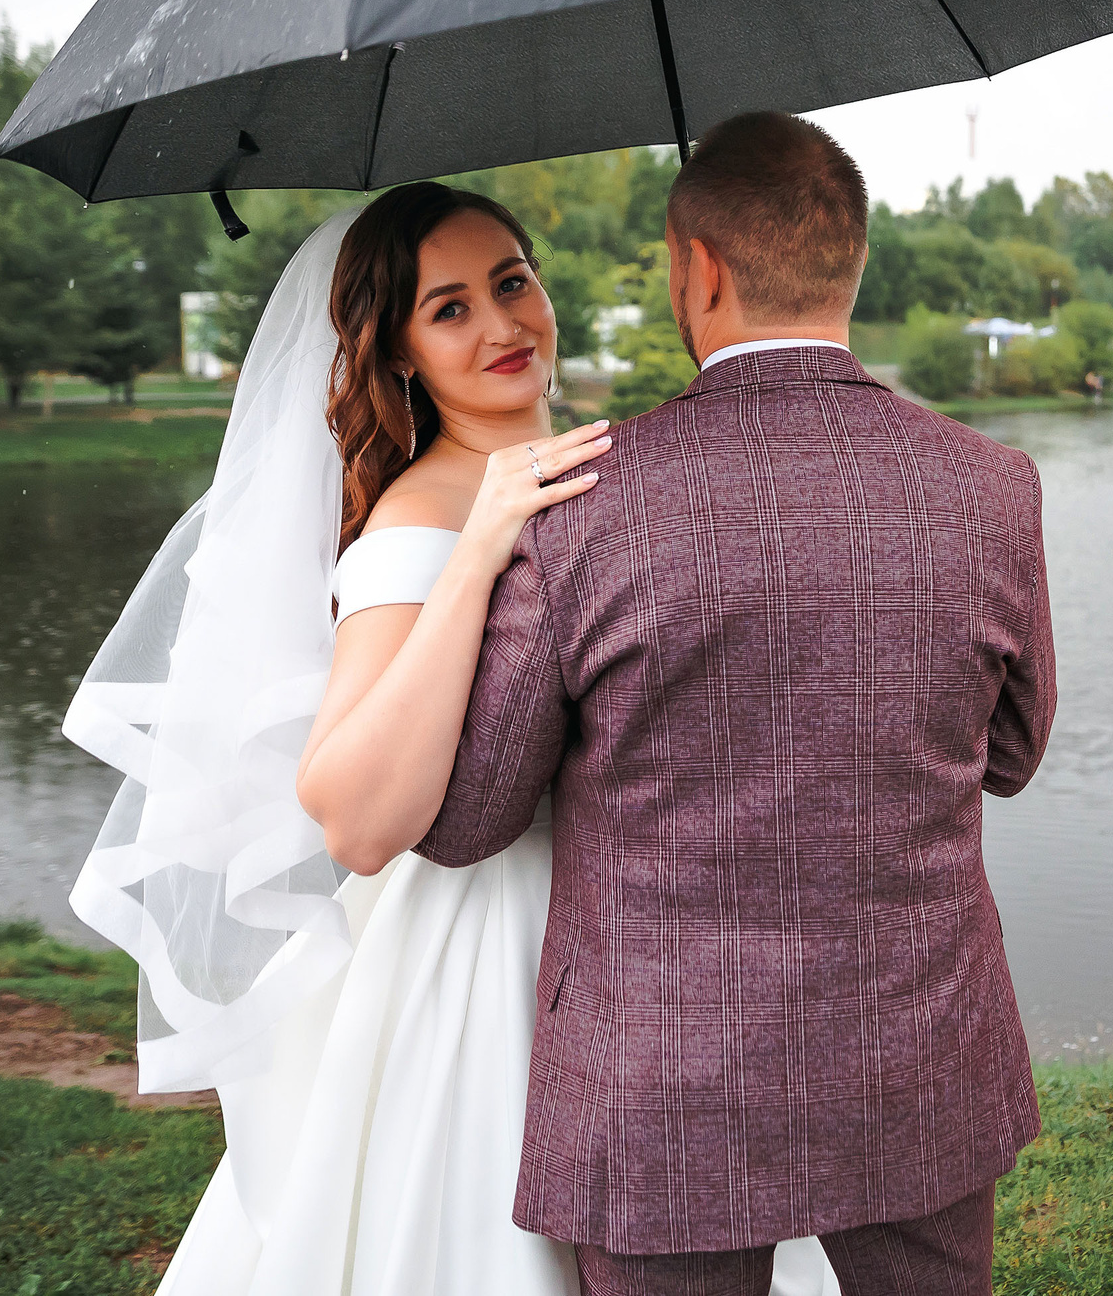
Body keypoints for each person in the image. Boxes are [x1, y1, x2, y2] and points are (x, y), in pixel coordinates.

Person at [63, 183, 840, 1295]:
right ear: (398, 358)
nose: (503, 325)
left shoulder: (602, 460)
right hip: (499, 958)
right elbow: (356, 816)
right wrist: (476, 556)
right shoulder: (420, 522)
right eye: (450, 308)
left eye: (512, 282)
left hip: (658, 925)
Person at [417, 111, 1057, 1296]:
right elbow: (1010, 754)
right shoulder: (991, 487)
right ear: (851, 260)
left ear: (695, 269)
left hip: (664, 1078)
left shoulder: (579, 507)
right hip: (916, 1053)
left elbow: (465, 823)